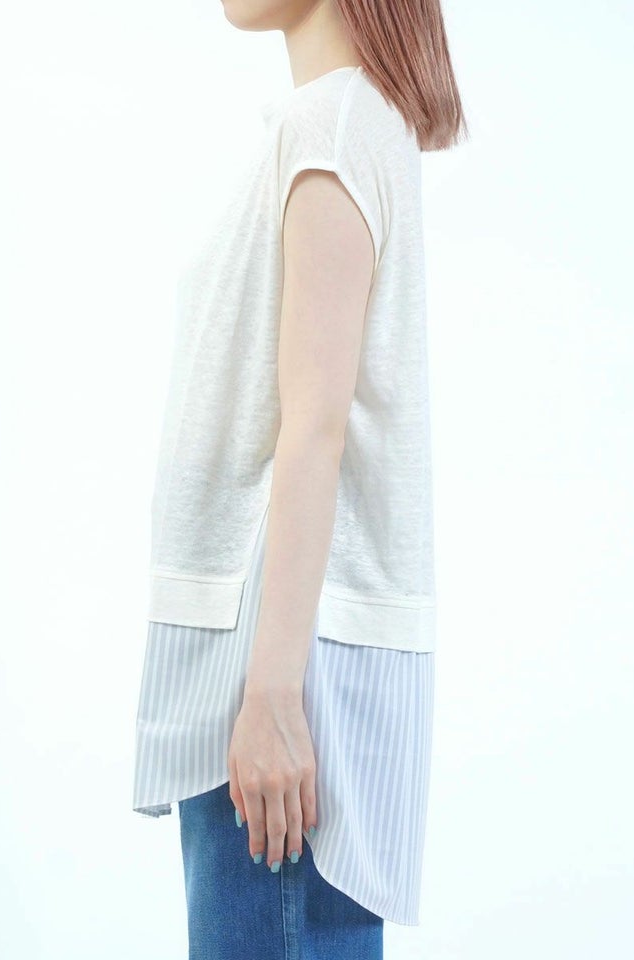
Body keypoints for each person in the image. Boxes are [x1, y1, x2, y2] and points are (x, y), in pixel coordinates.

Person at [133, 0, 467, 956]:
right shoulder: (341, 120)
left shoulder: (333, 124)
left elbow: (314, 426)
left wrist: (274, 694)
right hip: (274, 656)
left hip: (280, 665)